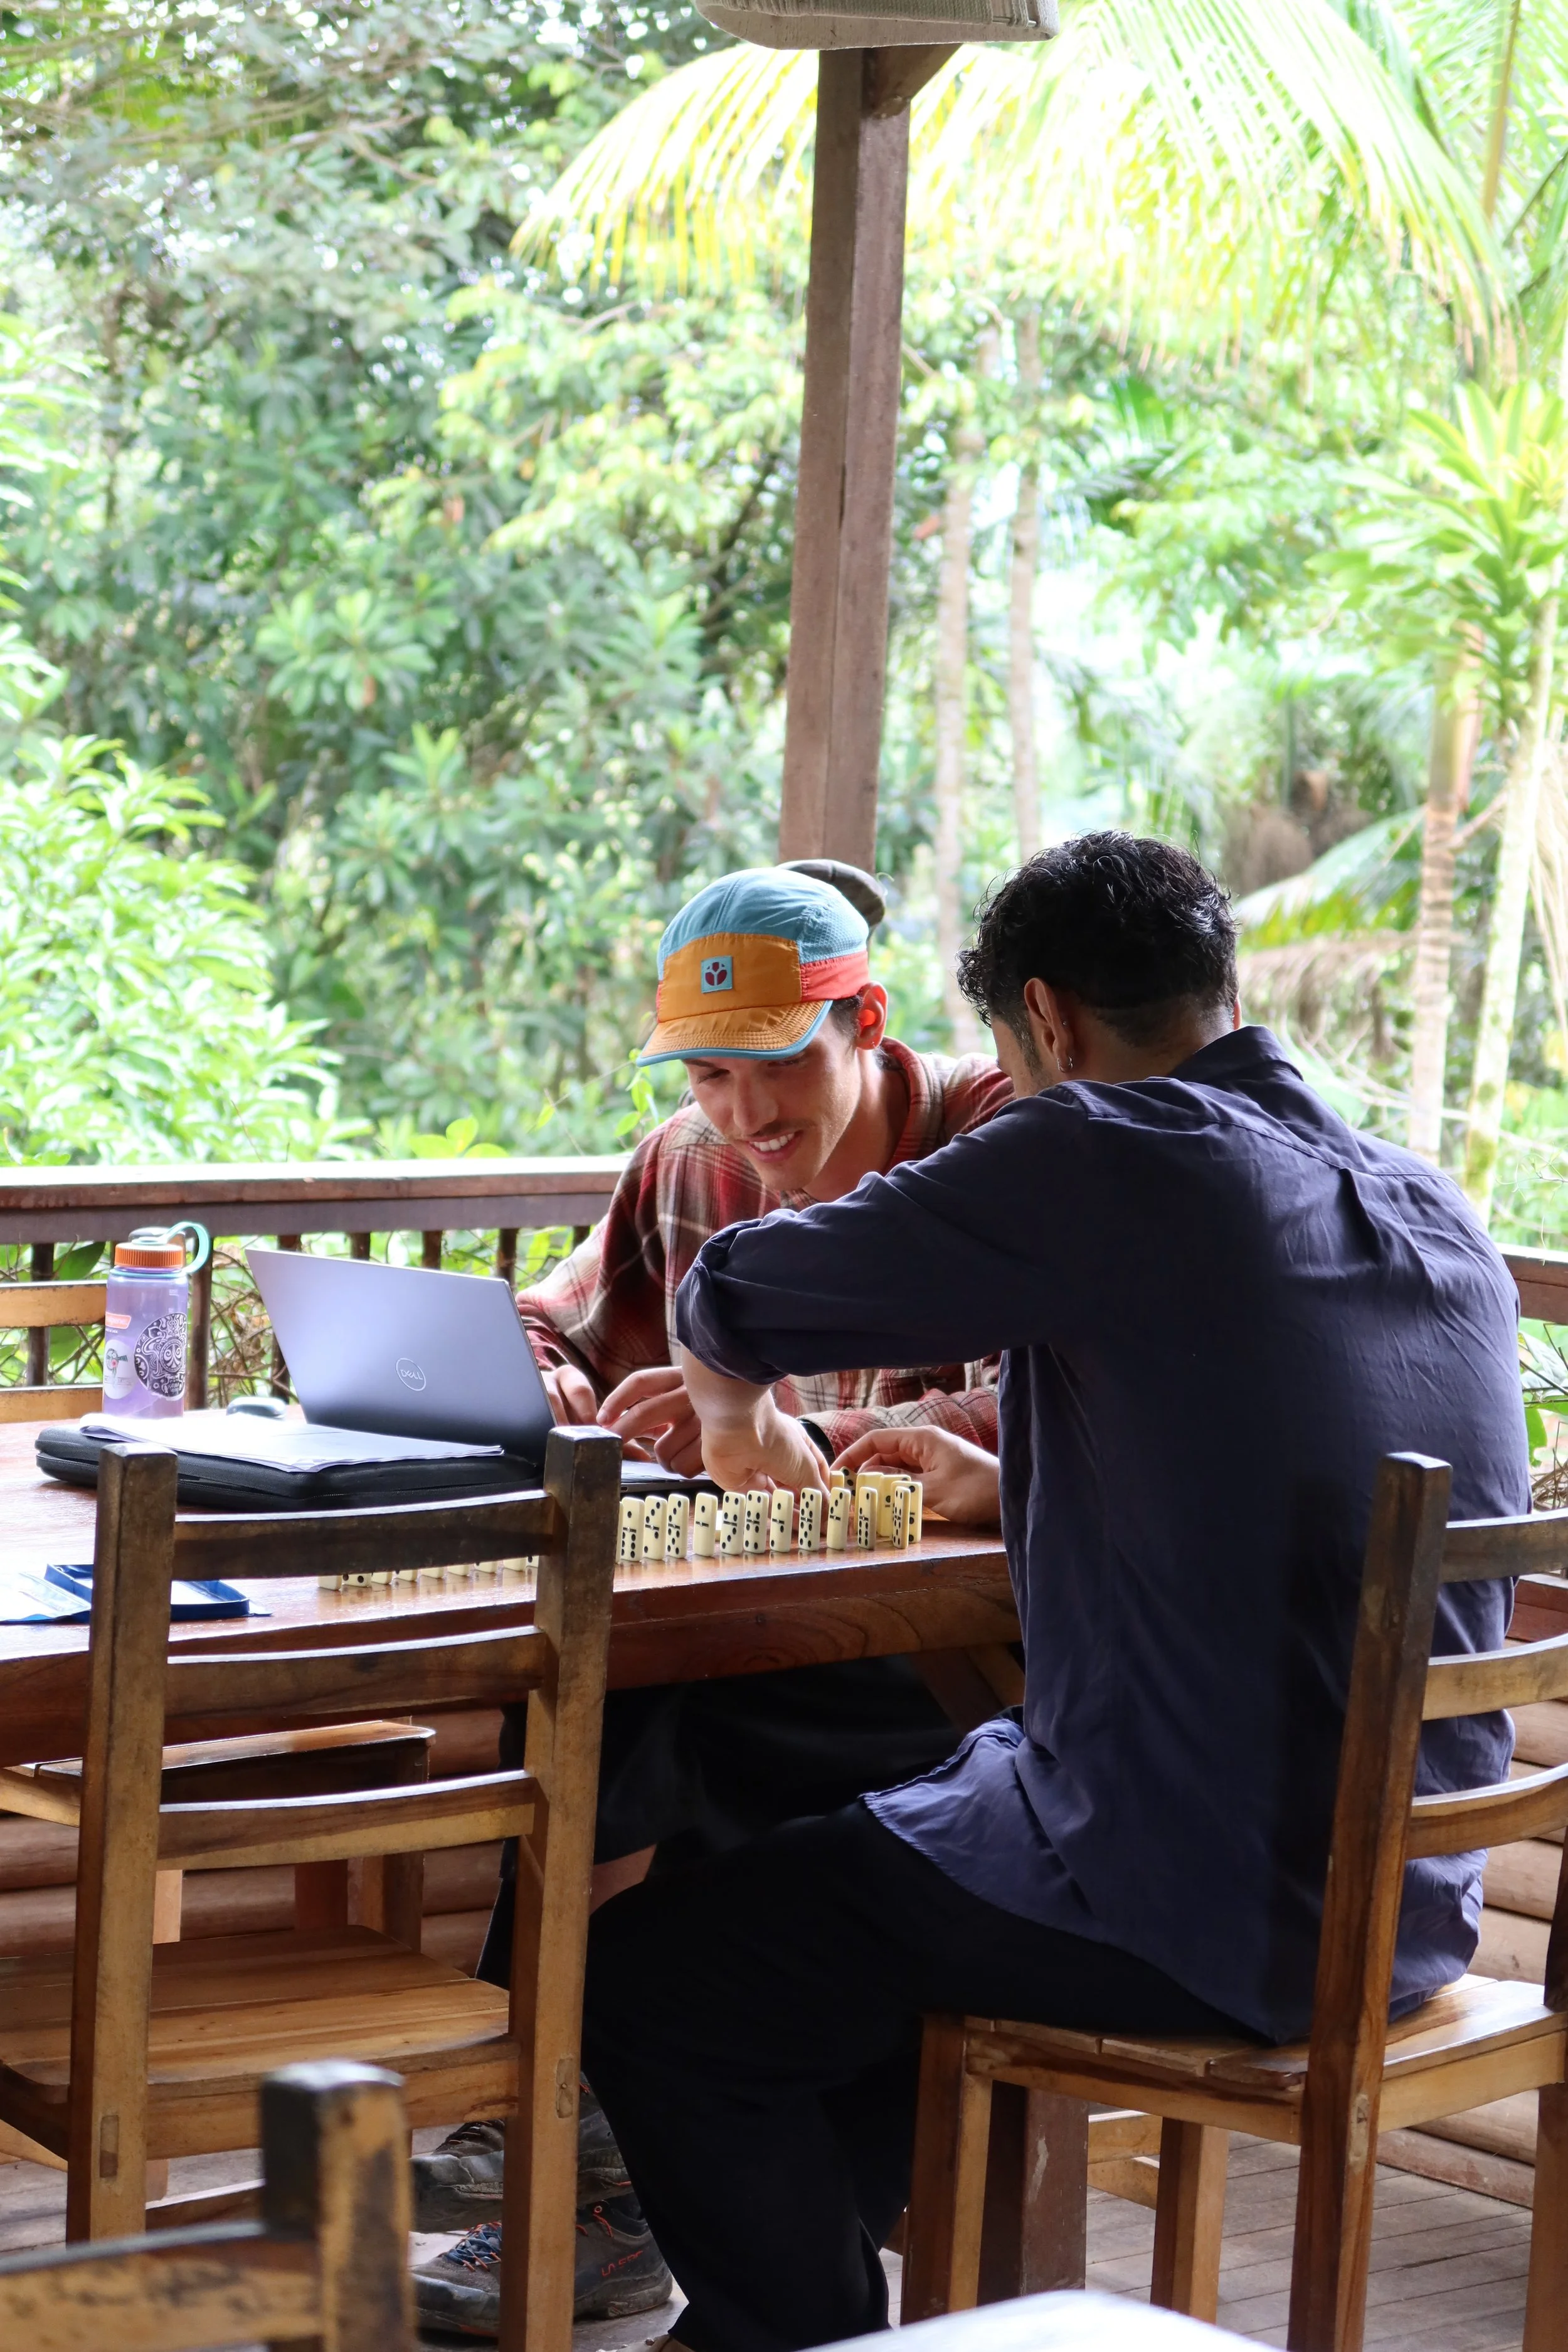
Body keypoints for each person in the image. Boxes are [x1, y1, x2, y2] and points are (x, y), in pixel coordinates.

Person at [578, 831, 1528, 2352]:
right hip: (1407, 1907)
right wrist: (1015, 1475)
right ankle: (796, 2315)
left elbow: (734, 1290)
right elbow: (1249, 1445)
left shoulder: (1104, 1144)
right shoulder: (1423, 1204)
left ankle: (793, 2328)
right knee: (862, 1890)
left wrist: (741, 1414)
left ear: (1048, 1023)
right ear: (1213, 988)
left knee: (647, 1979)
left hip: (1187, 1901)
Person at [411, 863, 1014, 2337]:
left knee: (618, 1690)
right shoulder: (686, 1160)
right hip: (759, 1671)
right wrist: (545, 1367)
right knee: (615, 1677)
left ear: (865, 1019)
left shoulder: (1003, 1143)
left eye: (772, 1071)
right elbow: (566, 1309)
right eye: (705, 1073)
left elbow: (1059, 1406)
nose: (739, 1120)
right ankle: (605, 2149)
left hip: (975, 1691)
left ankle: (572, 2121)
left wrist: (819, 1441)